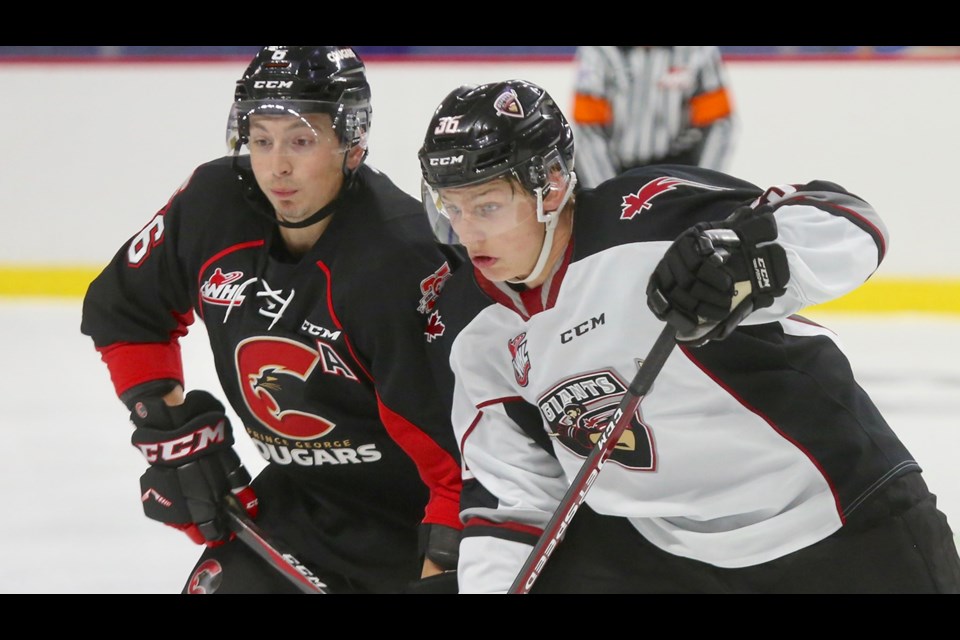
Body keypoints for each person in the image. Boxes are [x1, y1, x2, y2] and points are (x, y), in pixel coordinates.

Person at [416, 78, 960, 593]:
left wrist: (750, 263)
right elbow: (513, 493)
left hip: (841, 517)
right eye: (452, 207)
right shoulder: (468, 322)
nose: (466, 232)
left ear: (551, 185)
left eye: (486, 206)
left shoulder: (649, 216)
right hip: (669, 559)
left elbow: (852, 223)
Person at [80, 46, 464, 594]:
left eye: (301, 141)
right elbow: (125, 309)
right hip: (296, 510)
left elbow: (457, 466)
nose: (276, 165)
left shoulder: (398, 260)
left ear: (351, 145)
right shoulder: (214, 205)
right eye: (261, 139)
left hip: (410, 527)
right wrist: (168, 433)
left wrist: (443, 572)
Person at [570, 46, 738, 188]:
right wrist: (606, 192)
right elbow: (587, 131)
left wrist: (702, 186)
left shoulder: (697, 50)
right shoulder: (599, 50)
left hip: (679, 173)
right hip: (616, 170)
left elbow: (719, 125)